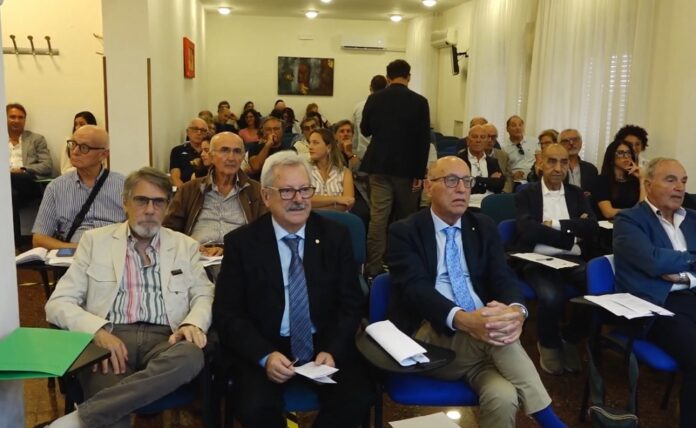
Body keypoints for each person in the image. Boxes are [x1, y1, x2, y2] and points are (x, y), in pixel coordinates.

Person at [387, 156, 565, 428]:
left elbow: (502, 277)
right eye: (451, 180)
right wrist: (464, 319)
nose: (461, 189)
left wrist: (517, 311)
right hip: (431, 339)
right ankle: (552, 423)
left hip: (483, 343)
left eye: (467, 181)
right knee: (492, 328)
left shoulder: (482, 226)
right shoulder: (405, 231)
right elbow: (416, 290)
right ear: (428, 187)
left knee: (503, 396)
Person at [213, 151, 374, 428]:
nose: (299, 199)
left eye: (304, 190)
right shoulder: (242, 244)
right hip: (266, 346)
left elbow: (351, 303)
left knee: (357, 397)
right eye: (287, 191)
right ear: (266, 196)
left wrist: (333, 350)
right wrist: (264, 356)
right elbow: (228, 314)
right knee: (254, 407)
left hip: (323, 344)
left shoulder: (335, 236)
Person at [45, 167, 214, 428]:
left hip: (166, 338)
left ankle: (82, 418)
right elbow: (57, 304)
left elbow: (203, 293)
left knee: (191, 356)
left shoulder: (184, 245)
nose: (150, 210)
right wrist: (97, 331)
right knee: (110, 402)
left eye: (159, 202)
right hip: (110, 339)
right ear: (125, 203)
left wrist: (192, 323)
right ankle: (102, 409)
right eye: (141, 200)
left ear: (168, 207)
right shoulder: (95, 241)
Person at [613, 158, 695, 427]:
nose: (680, 187)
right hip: (654, 305)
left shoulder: (692, 219)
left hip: (689, 296)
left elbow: (664, 261)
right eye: (670, 180)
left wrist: (682, 272)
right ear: (648, 184)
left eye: (683, 181)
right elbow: (652, 261)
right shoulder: (629, 220)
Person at [514, 144, 598, 375]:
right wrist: (571, 236)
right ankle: (549, 343)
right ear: (540, 162)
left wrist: (555, 225)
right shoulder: (527, 193)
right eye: (552, 161)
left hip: (571, 261)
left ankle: (570, 338)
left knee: (600, 289)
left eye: (564, 162)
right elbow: (527, 230)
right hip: (536, 259)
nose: (558, 168)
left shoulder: (576, 194)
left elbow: (591, 226)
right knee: (552, 297)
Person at [360, 59, 431, 277]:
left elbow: (365, 129)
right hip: (408, 169)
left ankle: (373, 267)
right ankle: (400, 263)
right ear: (408, 76)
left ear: (388, 77)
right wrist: (420, 173)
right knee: (405, 218)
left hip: (378, 166)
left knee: (378, 218)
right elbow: (423, 139)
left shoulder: (374, 98)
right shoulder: (420, 102)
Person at [163, 132, 266, 257]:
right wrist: (188, 246)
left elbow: (264, 234)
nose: (231, 157)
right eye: (224, 150)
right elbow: (169, 230)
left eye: (237, 151)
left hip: (240, 257)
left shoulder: (256, 191)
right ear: (211, 156)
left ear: (243, 157)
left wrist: (227, 249)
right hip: (196, 257)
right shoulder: (190, 189)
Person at [32, 125, 125, 250]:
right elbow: (39, 240)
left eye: (84, 148)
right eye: (73, 144)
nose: (74, 152)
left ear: (103, 155)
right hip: (72, 259)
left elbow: (139, 231)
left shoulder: (124, 185)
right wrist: (77, 249)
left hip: (114, 255)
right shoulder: (55, 188)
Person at [8, 103, 53, 247]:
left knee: (15, 178)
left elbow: (47, 166)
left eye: (20, 117)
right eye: (12, 117)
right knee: (11, 195)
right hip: (9, 189)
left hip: (30, 185)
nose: (16, 120)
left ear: (25, 120)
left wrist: (23, 169)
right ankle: (15, 244)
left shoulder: (36, 139)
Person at [594, 139, 645, 220]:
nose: (626, 157)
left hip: (633, 223)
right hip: (609, 226)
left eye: (628, 153)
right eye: (620, 153)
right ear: (611, 157)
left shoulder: (635, 181)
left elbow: (643, 208)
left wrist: (642, 179)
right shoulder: (601, 180)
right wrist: (635, 213)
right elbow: (608, 212)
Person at [307, 128, 354, 212]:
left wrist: (315, 206)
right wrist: (336, 199)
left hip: (339, 220)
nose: (310, 147)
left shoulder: (345, 172)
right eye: (310, 143)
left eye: (315, 143)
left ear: (328, 147)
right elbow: (305, 200)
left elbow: (348, 202)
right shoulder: (304, 171)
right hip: (312, 220)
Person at [457, 124, 505, 194]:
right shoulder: (459, 160)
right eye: (475, 137)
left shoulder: (493, 162)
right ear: (468, 141)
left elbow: (499, 185)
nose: (478, 140)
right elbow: (462, 185)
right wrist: (490, 180)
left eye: (482, 137)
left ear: (486, 141)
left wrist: (475, 180)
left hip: (490, 202)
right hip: (469, 202)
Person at [352, 75, 387, 159]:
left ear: (370, 87)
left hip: (362, 153)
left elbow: (355, 133)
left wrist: (353, 153)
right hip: (383, 154)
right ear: (386, 87)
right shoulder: (390, 107)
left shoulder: (358, 107)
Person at [558, 129, 598, 195]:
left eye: (575, 139)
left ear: (581, 143)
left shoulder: (591, 169)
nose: (571, 143)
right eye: (566, 141)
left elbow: (596, 194)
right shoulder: (555, 167)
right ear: (559, 145)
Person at [169, 118, 207, 188]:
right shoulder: (177, 151)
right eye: (195, 129)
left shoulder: (210, 151)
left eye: (202, 130)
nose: (199, 133)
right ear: (187, 132)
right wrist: (185, 193)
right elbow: (175, 177)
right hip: (184, 189)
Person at [247, 116, 287, 180]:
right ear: (263, 132)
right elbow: (256, 167)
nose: (272, 132)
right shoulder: (255, 148)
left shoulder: (289, 149)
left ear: (282, 131)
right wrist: (268, 145)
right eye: (268, 129)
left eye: (276, 129)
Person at [503, 115, 536, 185]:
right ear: (507, 129)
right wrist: (512, 176)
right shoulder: (503, 148)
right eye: (514, 125)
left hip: (535, 177)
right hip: (517, 181)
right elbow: (503, 170)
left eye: (520, 125)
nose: (518, 128)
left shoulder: (534, 141)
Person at [483, 123, 513, 192]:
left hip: (500, 192)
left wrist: (505, 192)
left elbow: (508, 177)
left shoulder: (503, 155)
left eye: (493, 137)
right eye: (487, 136)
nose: (490, 140)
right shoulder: (475, 154)